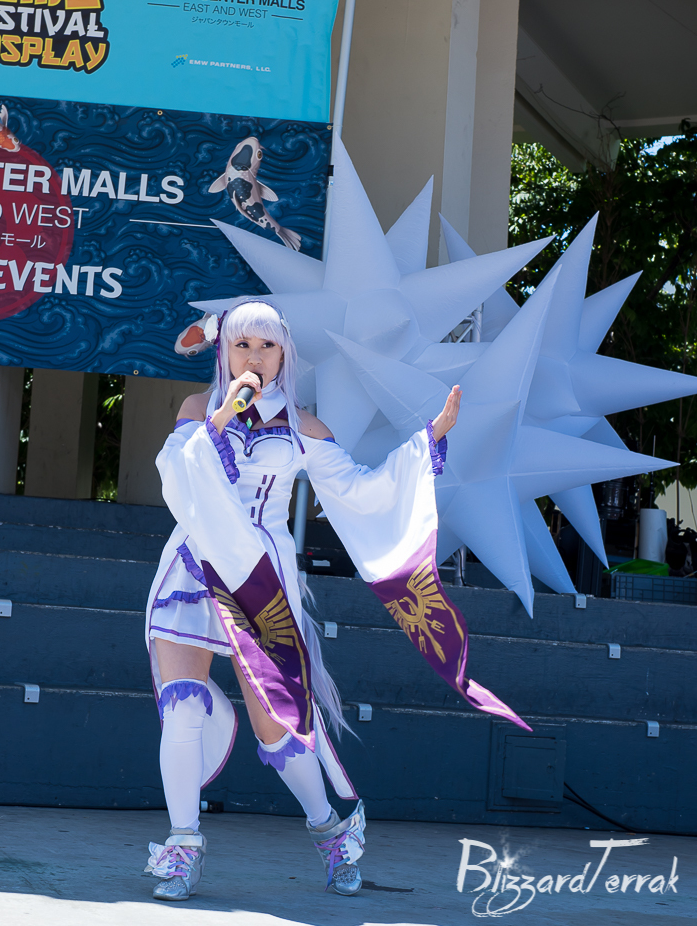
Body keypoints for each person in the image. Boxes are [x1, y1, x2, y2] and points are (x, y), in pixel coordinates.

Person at [143, 297, 521, 902]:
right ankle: (183, 845)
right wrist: (222, 415)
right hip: (195, 566)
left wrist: (428, 441)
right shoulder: (198, 408)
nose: (255, 357)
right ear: (224, 352)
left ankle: (331, 830)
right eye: (243, 344)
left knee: (278, 723)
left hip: (259, 579)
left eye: (267, 346)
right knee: (183, 704)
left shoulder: (303, 426)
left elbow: (362, 492)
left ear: (284, 355)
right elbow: (176, 476)